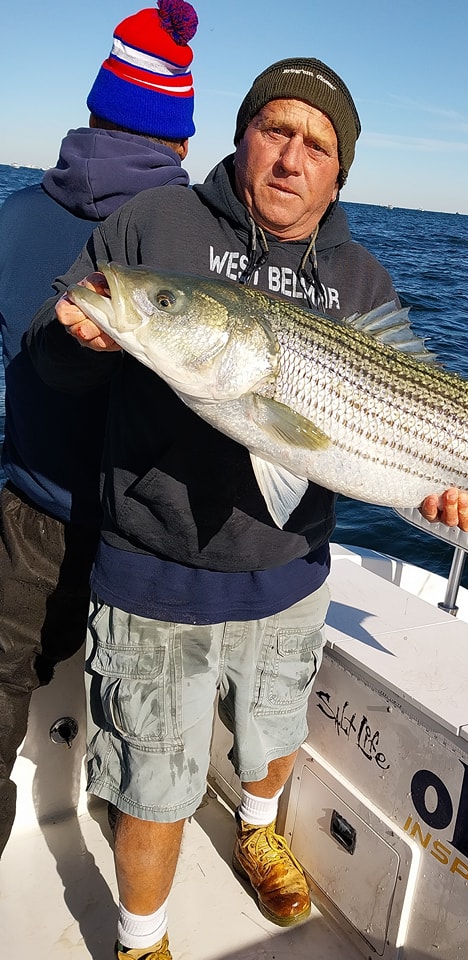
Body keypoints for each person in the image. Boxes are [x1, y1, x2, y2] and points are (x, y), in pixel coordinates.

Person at [28, 56, 468, 960]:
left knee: (274, 736)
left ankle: (259, 827)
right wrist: (85, 340)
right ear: (243, 135)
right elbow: (53, 362)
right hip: (155, 572)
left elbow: (395, 442)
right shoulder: (153, 223)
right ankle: (142, 936)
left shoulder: (361, 280)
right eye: (276, 129)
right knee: (155, 785)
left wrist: (440, 495)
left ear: (340, 171)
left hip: (291, 573)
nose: (291, 157)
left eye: (317, 145)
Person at [0, 0, 198, 863]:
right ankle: (137, 876)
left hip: (30, 507)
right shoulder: (196, 246)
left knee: (2, 679)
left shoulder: (10, 217)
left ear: (90, 113)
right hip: (150, 525)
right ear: (182, 142)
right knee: (145, 709)